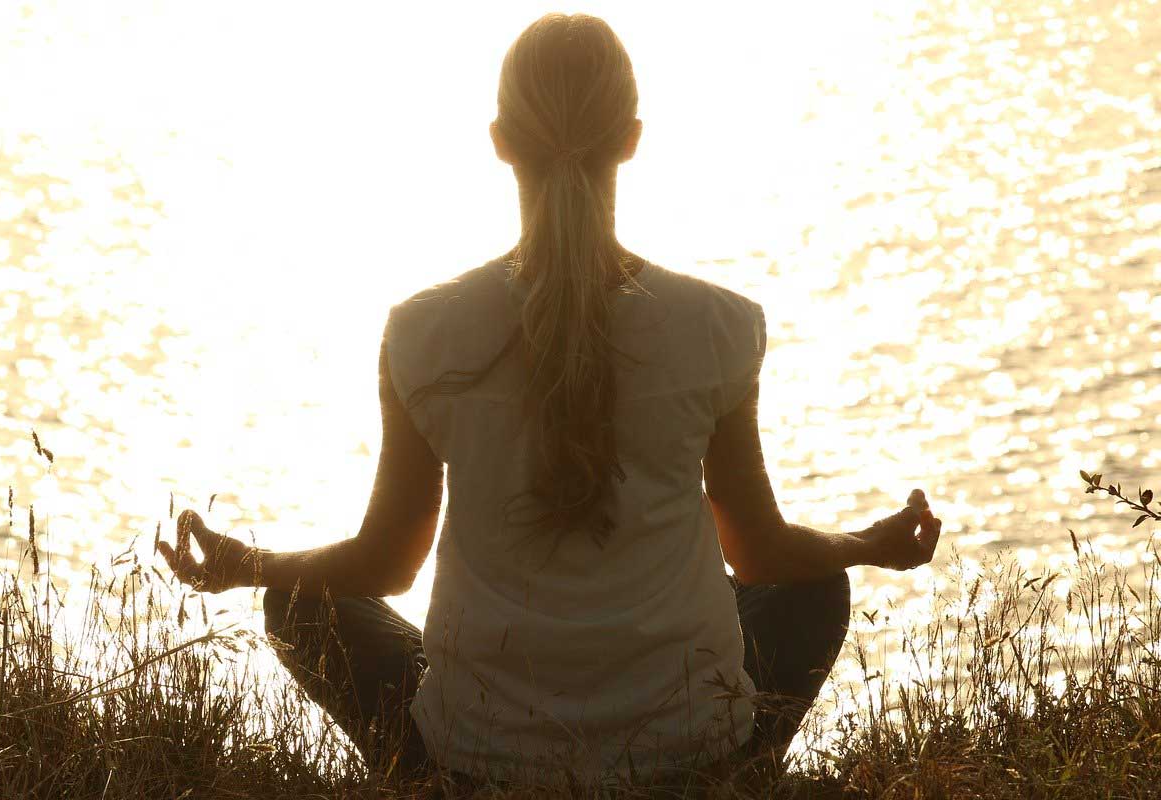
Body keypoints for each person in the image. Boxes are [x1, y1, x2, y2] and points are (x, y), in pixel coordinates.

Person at [157, 11, 943, 793]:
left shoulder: (422, 333)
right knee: (814, 582)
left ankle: (436, 781)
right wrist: (866, 545)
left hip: (478, 751)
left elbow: (386, 565)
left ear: (500, 139)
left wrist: (245, 565)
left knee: (299, 605)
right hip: (688, 742)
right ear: (632, 138)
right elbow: (761, 553)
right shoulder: (719, 327)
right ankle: (725, 775)